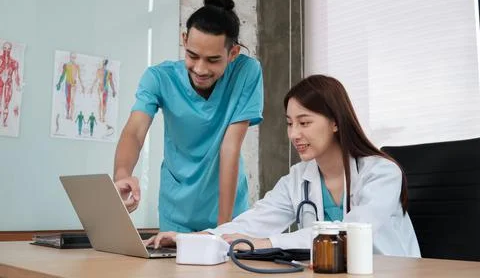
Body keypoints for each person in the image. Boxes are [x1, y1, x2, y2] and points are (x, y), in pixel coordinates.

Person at [144, 74, 421, 257]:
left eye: (304, 122)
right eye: (290, 124)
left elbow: (352, 233)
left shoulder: (381, 173)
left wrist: (269, 244)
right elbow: (254, 221)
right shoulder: (299, 178)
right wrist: (193, 239)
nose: (293, 135)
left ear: (336, 121)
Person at [114, 0, 264, 232]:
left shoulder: (246, 72)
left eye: (213, 60)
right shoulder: (159, 78)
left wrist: (222, 229)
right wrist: (122, 174)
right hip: (177, 212)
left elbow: (230, 147)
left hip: (228, 211)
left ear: (233, 53)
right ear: (184, 40)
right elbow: (135, 131)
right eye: (192, 56)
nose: (200, 69)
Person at [56, 52, 85, 120]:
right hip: (67, 84)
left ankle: (71, 115)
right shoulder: (66, 65)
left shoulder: (77, 66)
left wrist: (82, 86)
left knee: (72, 100)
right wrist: (59, 83)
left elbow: (79, 77)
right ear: (70, 57)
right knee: (67, 100)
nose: (73, 59)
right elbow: (63, 75)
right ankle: (67, 113)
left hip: (73, 85)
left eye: (74, 57)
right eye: (72, 57)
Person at [0, 41, 21, 127]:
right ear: (2, 48)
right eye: (5, 48)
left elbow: (16, 75)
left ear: (11, 50)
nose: (6, 50)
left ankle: (4, 122)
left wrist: (18, 85)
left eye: (8, 49)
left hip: (8, 84)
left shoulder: (14, 62)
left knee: (6, 104)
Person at [89, 59, 116, 123]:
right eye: (104, 63)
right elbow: (96, 79)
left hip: (105, 89)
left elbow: (111, 82)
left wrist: (114, 90)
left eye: (105, 63)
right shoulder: (99, 71)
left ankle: (103, 117)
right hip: (100, 88)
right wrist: (92, 88)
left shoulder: (109, 73)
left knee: (104, 104)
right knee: (101, 103)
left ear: (106, 64)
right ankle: (100, 117)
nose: (104, 65)